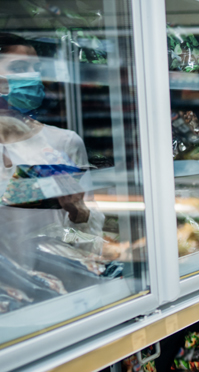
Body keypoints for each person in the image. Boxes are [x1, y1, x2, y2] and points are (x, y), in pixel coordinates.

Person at [0, 33, 103, 247]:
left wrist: (78, 214)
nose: (33, 77)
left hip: (53, 275)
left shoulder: (64, 143)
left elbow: (90, 244)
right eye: (19, 68)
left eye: (36, 68)